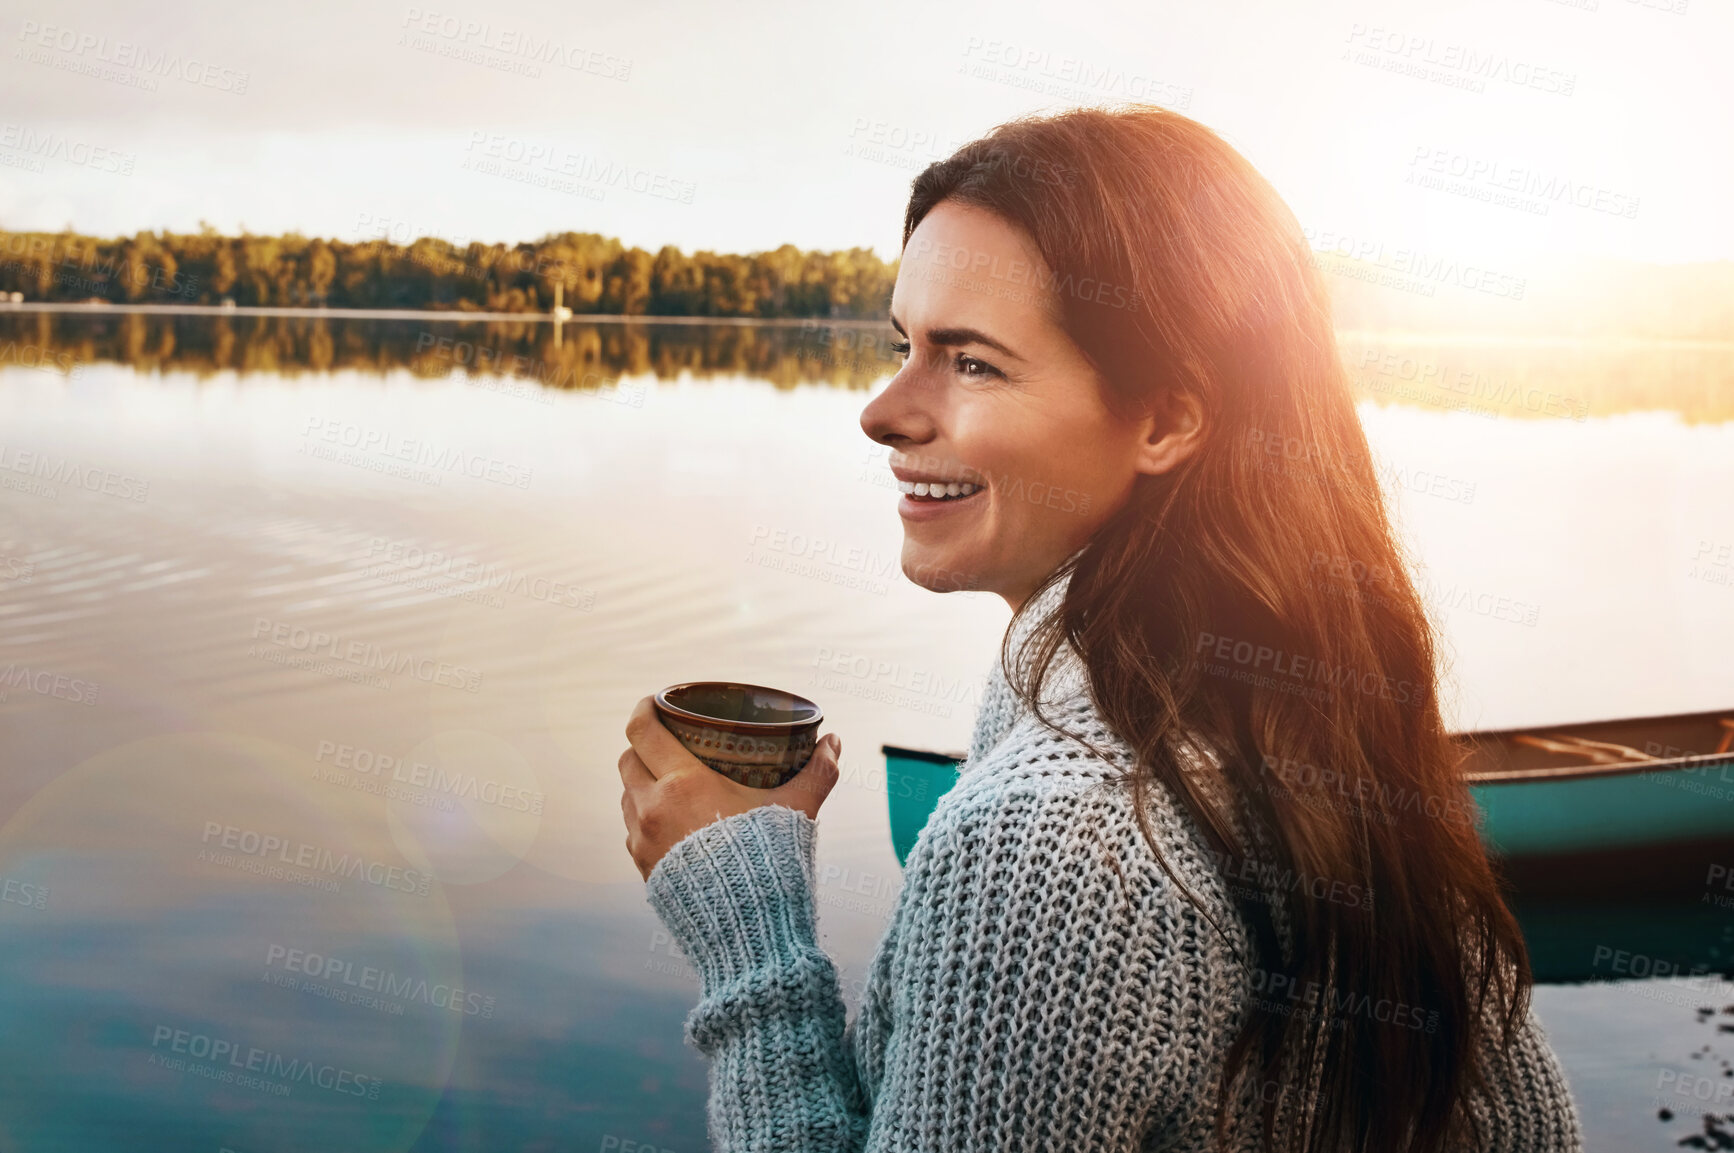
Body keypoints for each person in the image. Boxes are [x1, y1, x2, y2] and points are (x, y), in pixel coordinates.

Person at [617, 104, 1584, 1152]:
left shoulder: (1049, 844)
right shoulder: (1322, 733)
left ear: (1168, 419)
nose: (883, 409)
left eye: (972, 361)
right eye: (904, 345)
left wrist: (752, 947)